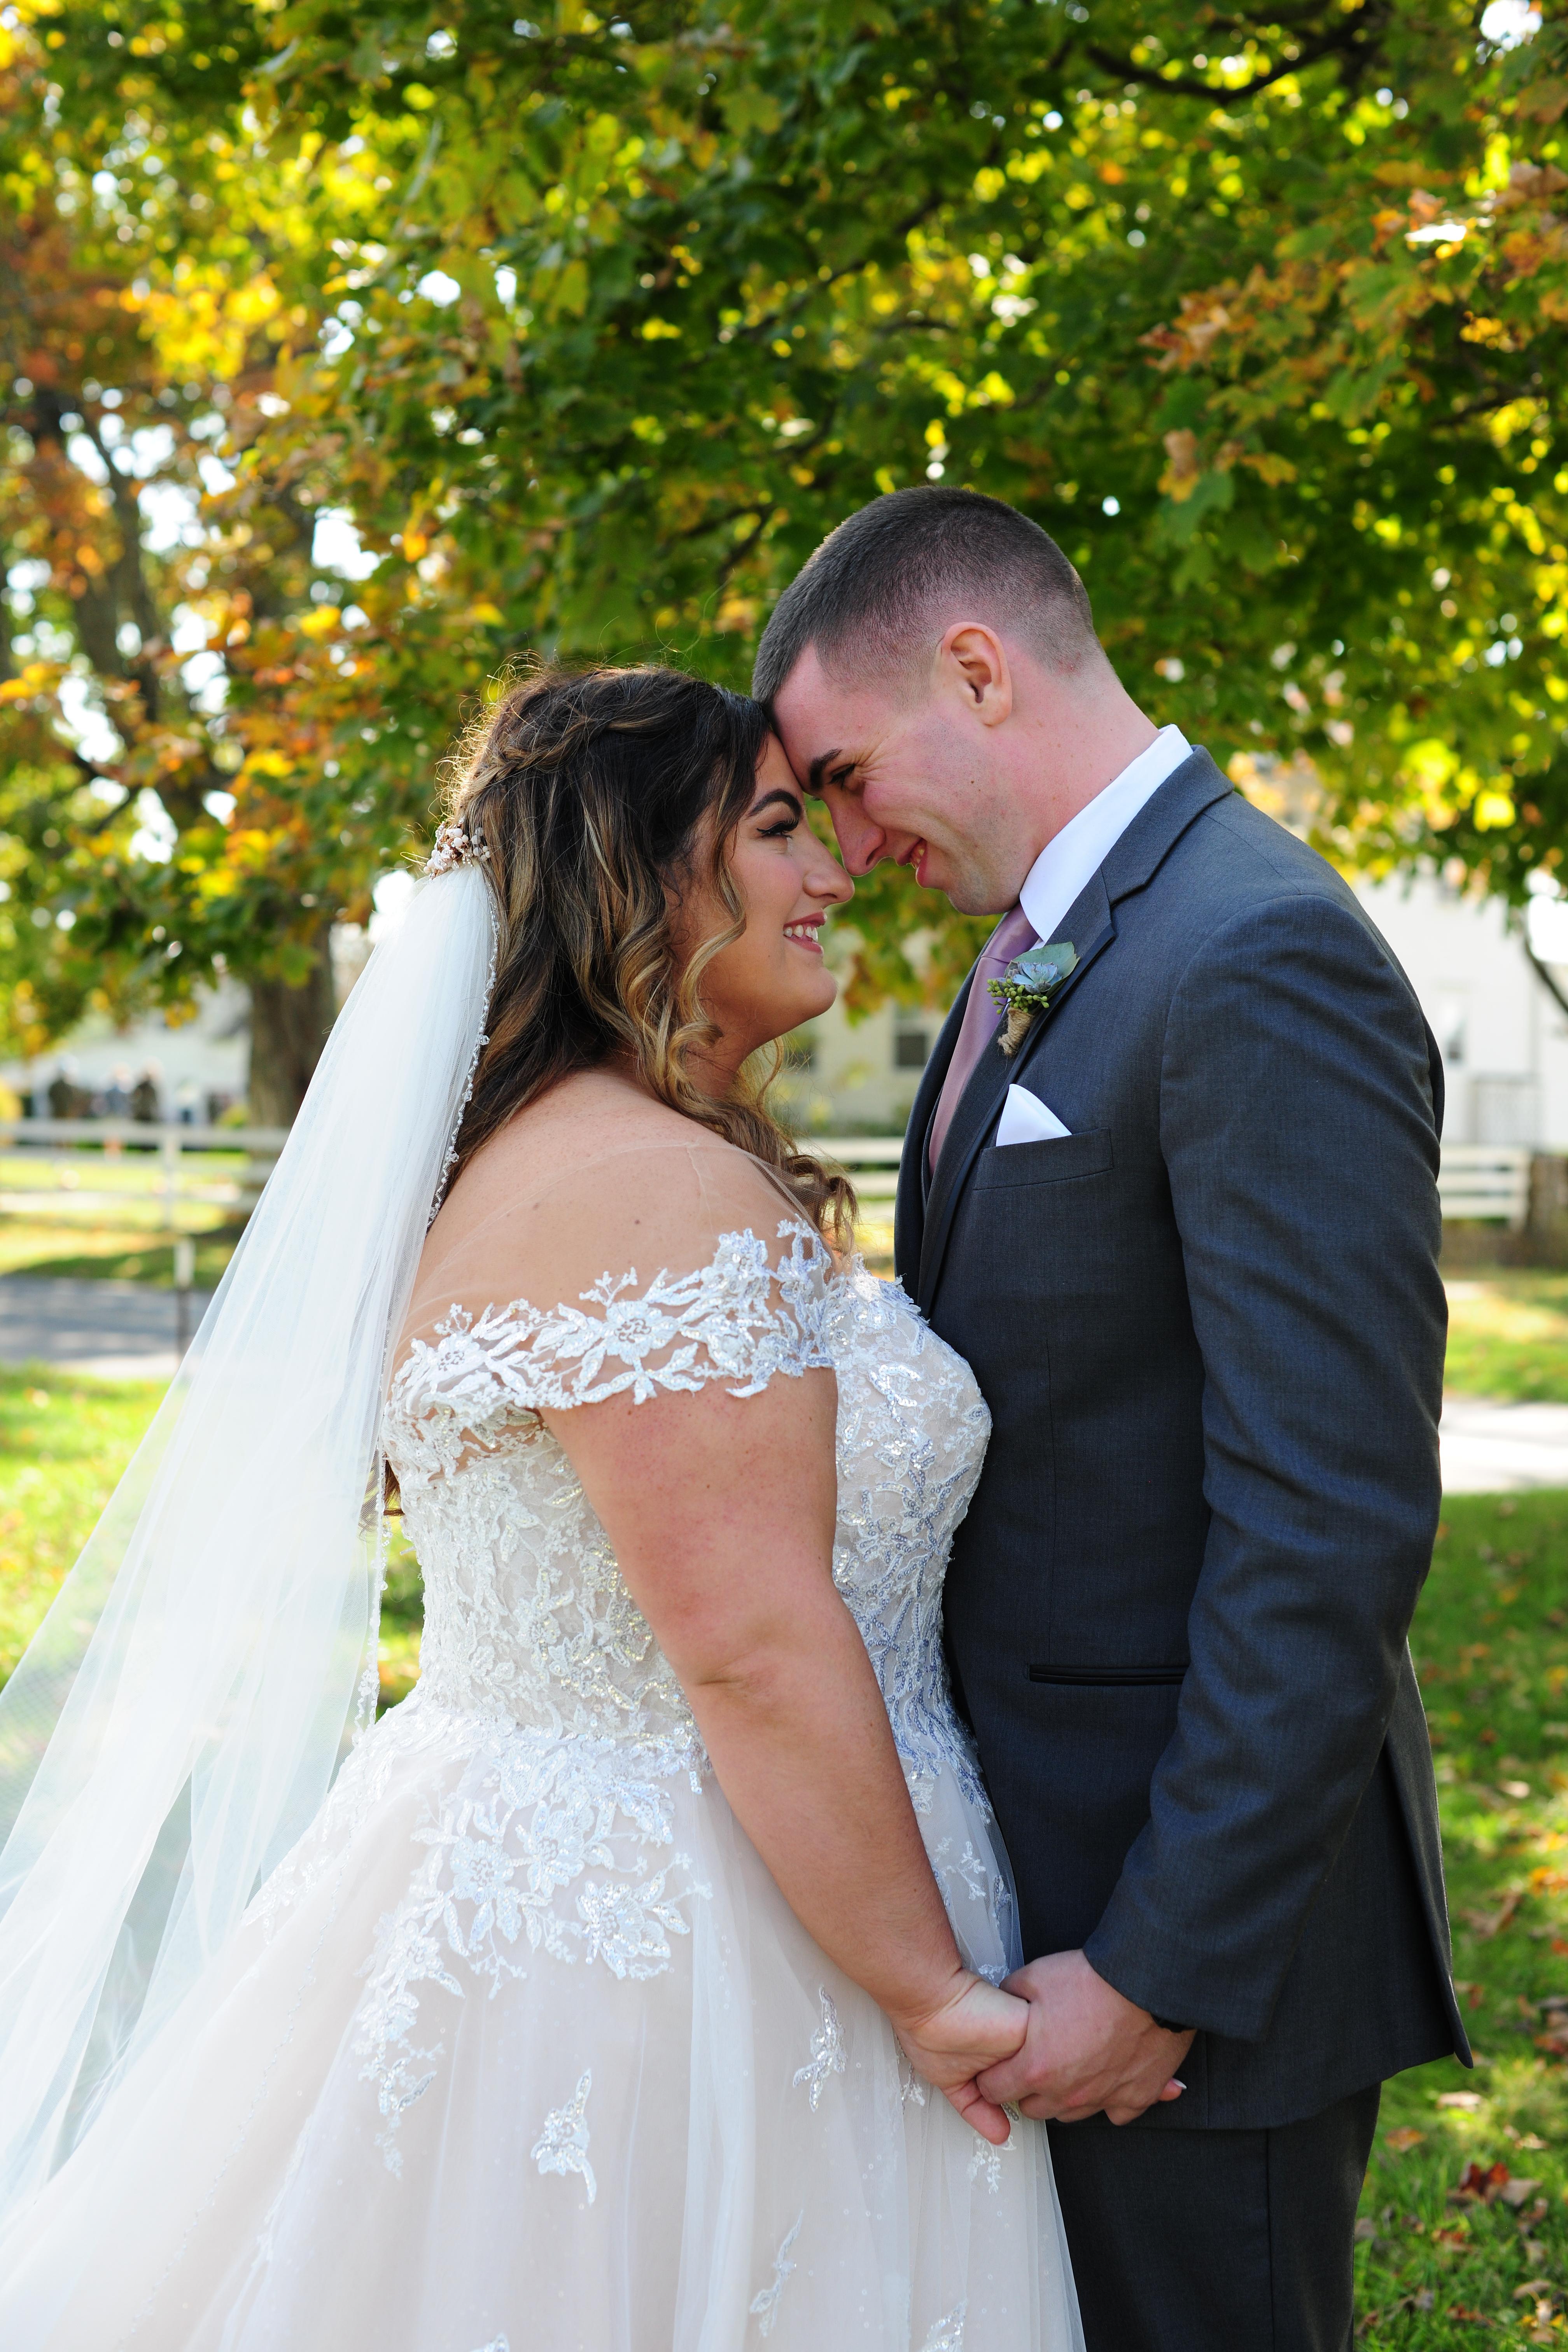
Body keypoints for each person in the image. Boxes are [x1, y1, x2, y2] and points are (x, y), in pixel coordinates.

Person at [0, 665, 1087, 2351]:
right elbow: (745, 1645)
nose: (835, 872)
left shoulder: (560, 1151)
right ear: (644, 877)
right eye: (782, 830)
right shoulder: (653, 1192)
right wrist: (931, 1995)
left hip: (587, 1867)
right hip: (695, 1935)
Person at [757, 486, 1470, 2352]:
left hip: (1191, 1952)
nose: (840, 838)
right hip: (1037, 1887)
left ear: (976, 670)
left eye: (839, 773)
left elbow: (1332, 1516)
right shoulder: (1046, 951)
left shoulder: (1253, 950)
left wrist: (1163, 1970)